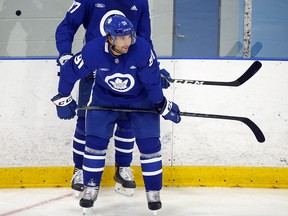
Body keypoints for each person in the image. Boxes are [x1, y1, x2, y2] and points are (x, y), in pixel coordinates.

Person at [51, 15, 181, 213]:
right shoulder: (94, 50)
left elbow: (153, 82)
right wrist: (63, 97)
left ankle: (153, 193)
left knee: (150, 145)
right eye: (121, 38)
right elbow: (69, 72)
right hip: (105, 98)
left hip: (140, 98)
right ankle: (90, 188)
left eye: (129, 36)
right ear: (109, 38)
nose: (126, 42)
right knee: (94, 142)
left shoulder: (142, 49)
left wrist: (162, 104)